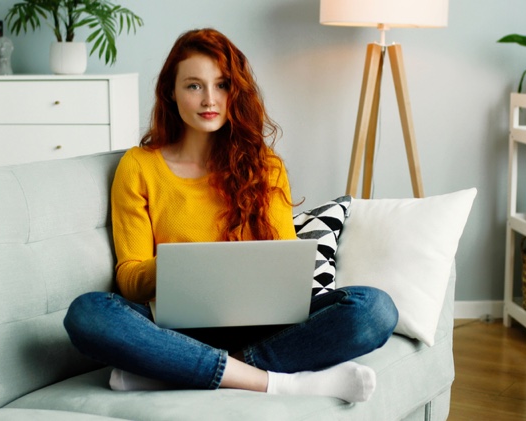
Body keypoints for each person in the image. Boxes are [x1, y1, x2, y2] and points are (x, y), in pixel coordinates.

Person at [63, 28, 398, 403]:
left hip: (261, 328)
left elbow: (287, 267)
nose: (210, 99)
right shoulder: (139, 166)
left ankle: (187, 372)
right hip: (173, 329)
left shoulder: (264, 165)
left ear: (236, 91)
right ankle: (275, 381)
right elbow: (129, 280)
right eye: (193, 86)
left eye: (222, 85)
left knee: (375, 310)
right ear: (170, 93)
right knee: (87, 314)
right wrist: (181, 264)